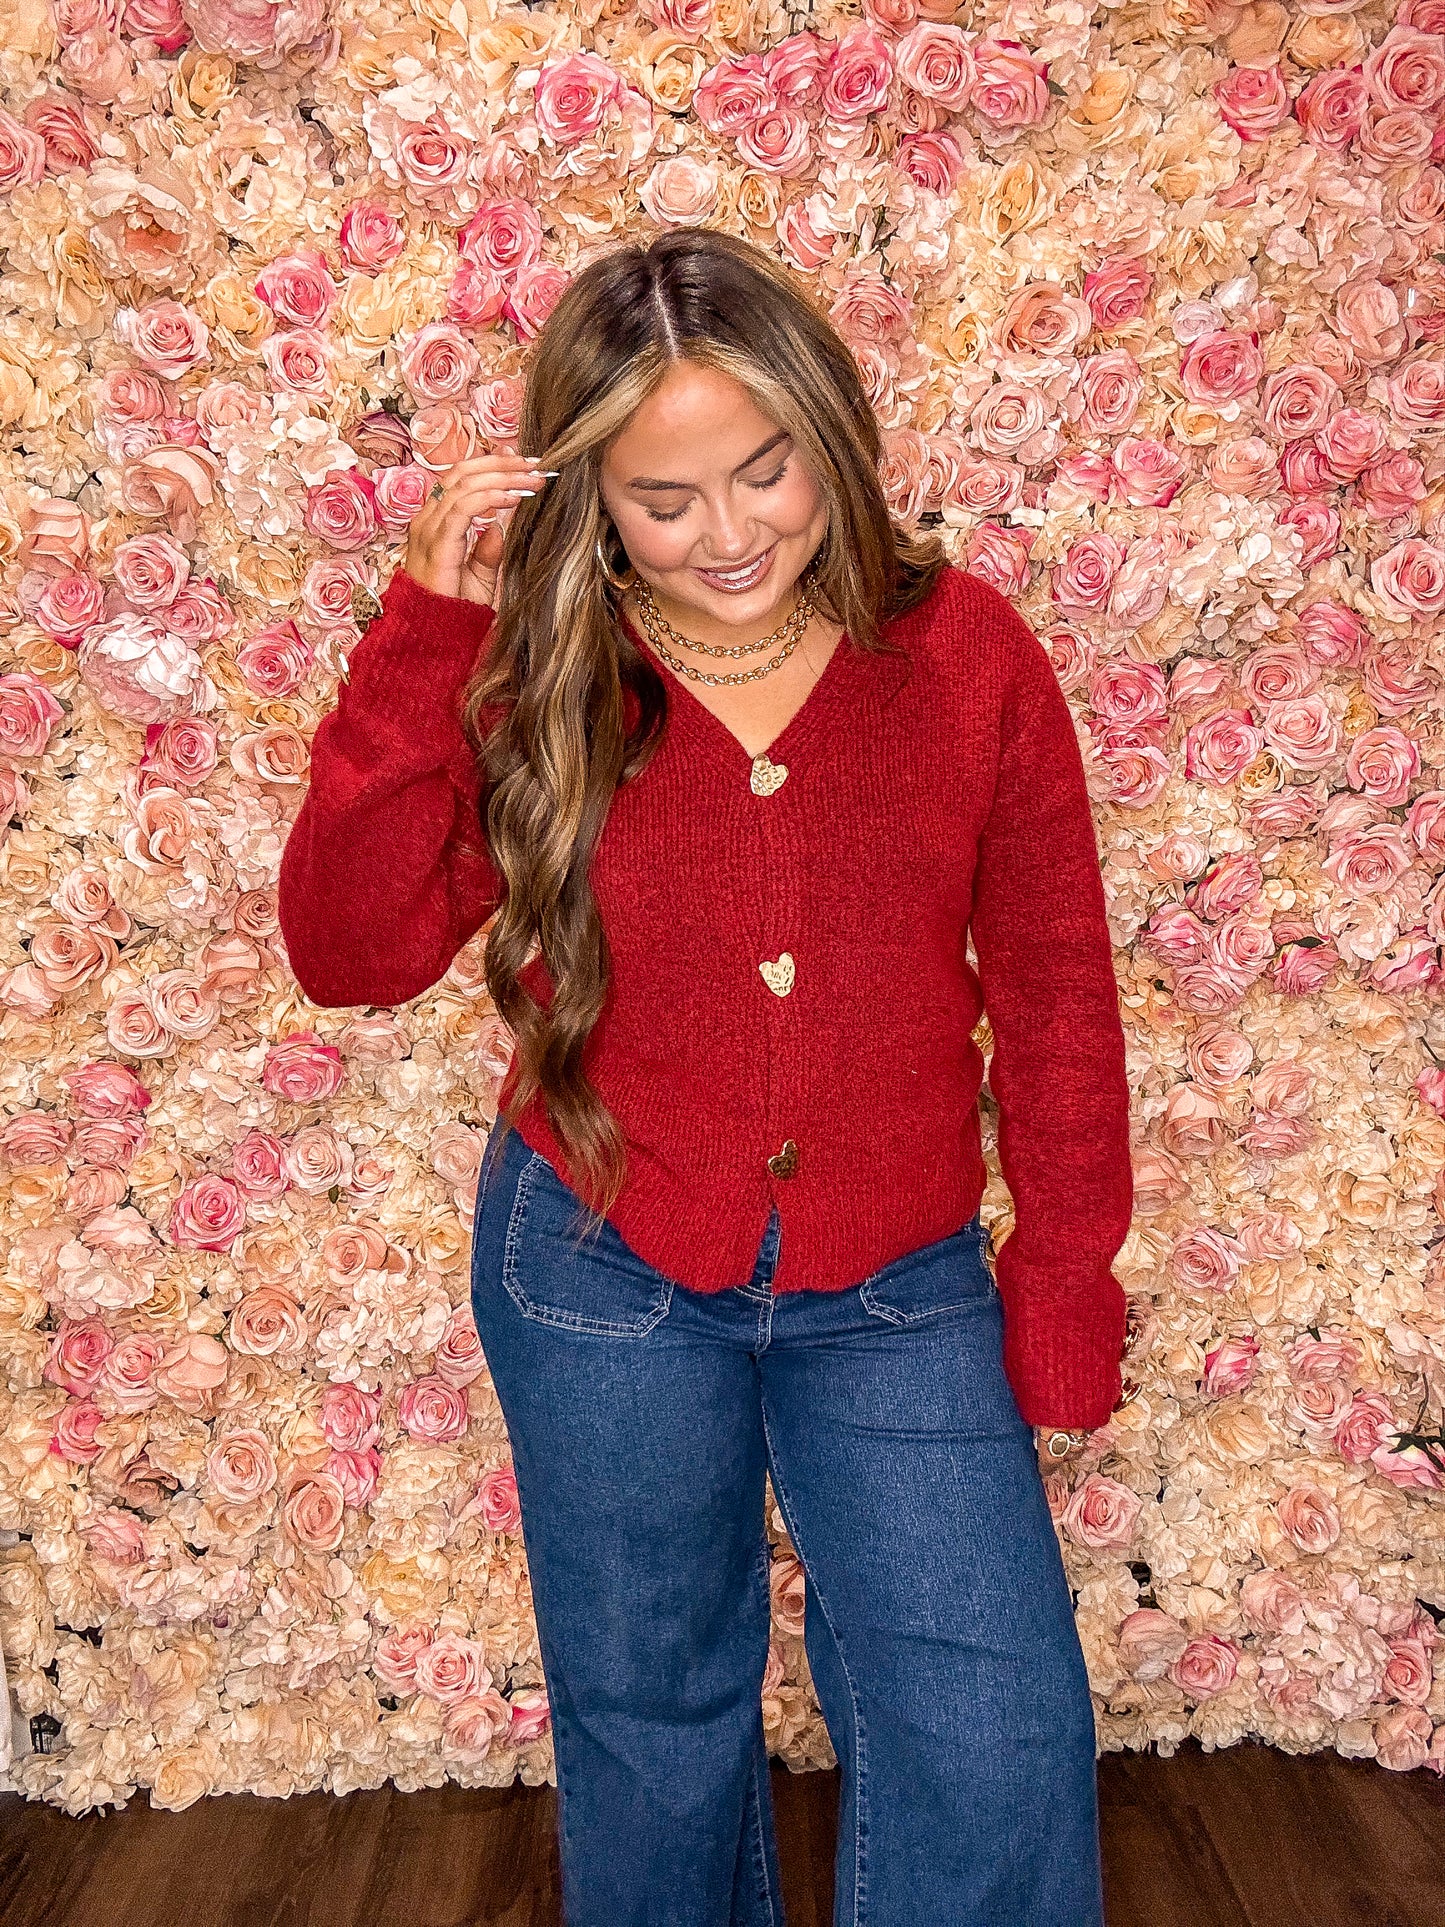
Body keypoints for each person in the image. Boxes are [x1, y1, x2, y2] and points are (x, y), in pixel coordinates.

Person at [278, 227, 1134, 1927]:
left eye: (766, 471)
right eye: (664, 500)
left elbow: (1054, 993)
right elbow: (350, 953)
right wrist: (423, 638)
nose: (729, 534)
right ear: (587, 496)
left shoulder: (967, 660)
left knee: (992, 1724)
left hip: (897, 1278)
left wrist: (1060, 1275)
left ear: (833, 434)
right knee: (651, 1718)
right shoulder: (536, 672)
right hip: (599, 1261)